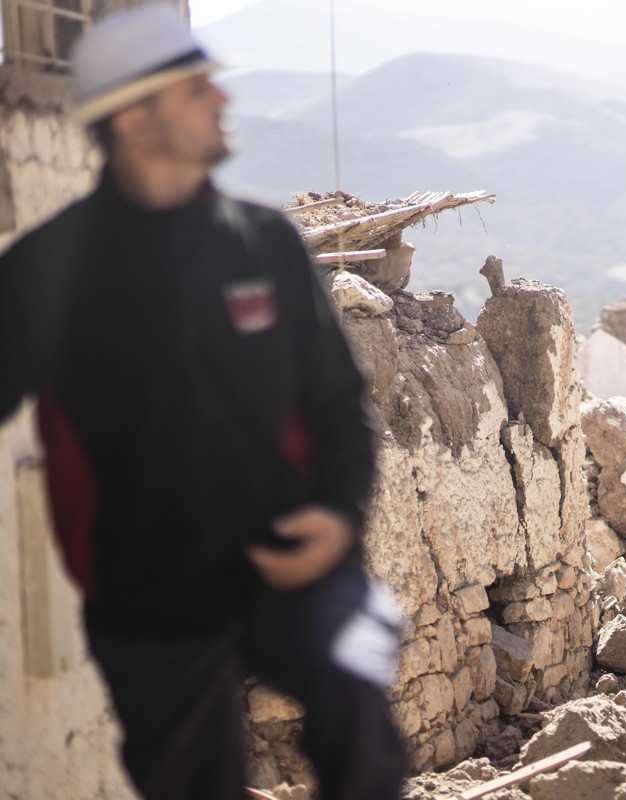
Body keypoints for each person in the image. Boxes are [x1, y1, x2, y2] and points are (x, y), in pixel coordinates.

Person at [0, 5, 407, 799]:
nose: (223, 102)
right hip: (149, 598)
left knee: (360, 716)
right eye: (197, 89)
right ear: (138, 117)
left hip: (297, 564)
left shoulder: (263, 243)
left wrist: (340, 514)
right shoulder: (49, 272)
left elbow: (339, 406)